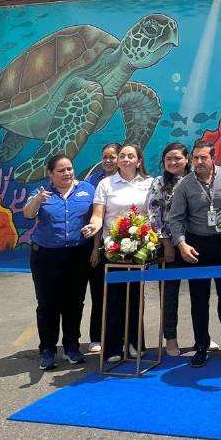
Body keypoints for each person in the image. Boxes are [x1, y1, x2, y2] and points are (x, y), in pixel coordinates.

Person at [169, 140, 221, 368]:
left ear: (213, 158)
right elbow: (176, 218)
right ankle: (201, 344)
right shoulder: (185, 185)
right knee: (199, 298)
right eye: (196, 158)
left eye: (204, 158)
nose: (199, 162)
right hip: (196, 246)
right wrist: (181, 244)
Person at [83, 143, 153, 363]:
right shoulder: (105, 184)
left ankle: (135, 343)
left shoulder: (150, 184)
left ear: (139, 161)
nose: (125, 159)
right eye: (122, 155)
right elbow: (98, 215)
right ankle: (112, 347)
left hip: (139, 249)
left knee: (135, 297)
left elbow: (153, 215)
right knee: (113, 298)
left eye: (130, 156)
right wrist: (93, 227)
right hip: (112, 249)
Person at [23, 155, 95, 370]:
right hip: (45, 256)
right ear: (50, 174)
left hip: (77, 255)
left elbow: (98, 215)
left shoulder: (87, 190)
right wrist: (38, 201)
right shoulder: (41, 192)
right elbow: (28, 214)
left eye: (69, 169)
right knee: (47, 304)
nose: (67, 174)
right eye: (61, 170)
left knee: (74, 303)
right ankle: (47, 349)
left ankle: (72, 346)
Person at [146, 142, 190, 357]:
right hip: (169, 247)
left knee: (200, 294)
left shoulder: (195, 180)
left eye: (177, 158)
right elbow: (154, 214)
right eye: (168, 159)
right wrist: (166, 244)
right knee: (169, 294)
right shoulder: (159, 183)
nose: (173, 162)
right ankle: (170, 340)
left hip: (196, 245)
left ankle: (204, 337)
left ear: (187, 159)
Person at [85, 142, 121, 353]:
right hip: (99, 246)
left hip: (124, 246)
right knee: (99, 293)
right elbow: (95, 217)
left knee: (121, 294)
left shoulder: (130, 180)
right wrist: (95, 248)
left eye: (112, 156)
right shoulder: (93, 182)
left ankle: (122, 335)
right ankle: (96, 336)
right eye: (105, 156)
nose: (108, 160)